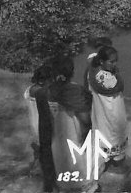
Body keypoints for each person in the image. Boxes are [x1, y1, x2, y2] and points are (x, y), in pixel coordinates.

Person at [49, 56, 97, 192]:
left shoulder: (48, 90)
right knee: (77, 160)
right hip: (73, 132)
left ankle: (64, 185)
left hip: (56, 136)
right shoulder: (76, 91)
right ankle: (85, 187)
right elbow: (85, 118)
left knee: (61, 159)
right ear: (72, 72)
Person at [87, 46, 128, 170]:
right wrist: (117, 74)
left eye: (115, 61)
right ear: (101, 61)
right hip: (113, 108)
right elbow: (119, 84)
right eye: (111, 61)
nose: (114, 64)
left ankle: (103, 156)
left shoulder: (92, 71)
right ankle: (117, 159)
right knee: (115, 130)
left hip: (100, 108)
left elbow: (91, 58)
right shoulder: (107, 79)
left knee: (102, 129)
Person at [25, 63, 57, 192]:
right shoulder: (45, 94)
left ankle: (37, 167)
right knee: (49, 154)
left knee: (39, 150)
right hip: (44, 128)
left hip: (34, 126)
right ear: (47, 80)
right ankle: (50, 180)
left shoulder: (29, 91)